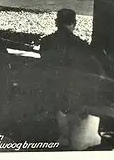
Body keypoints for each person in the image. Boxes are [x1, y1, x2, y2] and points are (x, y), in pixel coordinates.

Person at [40, 9, 107, 150]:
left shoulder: (45, 42)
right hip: (73, 92)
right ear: (74, 23)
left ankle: (63, 136)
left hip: (51, 88)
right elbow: (95, 67)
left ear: (56, 23)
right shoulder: (80, 44)